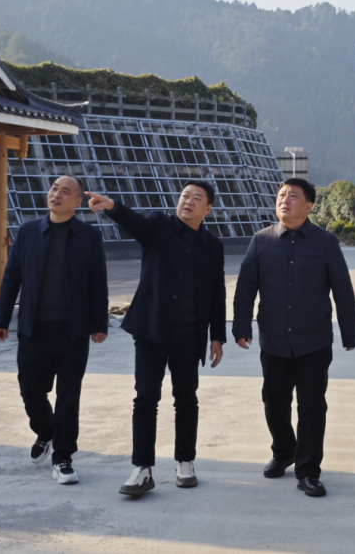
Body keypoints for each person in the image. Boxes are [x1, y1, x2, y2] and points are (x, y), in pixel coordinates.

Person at [87, 181, 226, 496]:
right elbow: (135, 223)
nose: (188, 201)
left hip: (189, 334)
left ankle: (185, 461)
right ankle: (142, 468)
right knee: (146, 398)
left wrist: (217, 336)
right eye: (185, 196)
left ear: (208, 209)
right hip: (151, 331)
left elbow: (217, 293)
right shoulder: (159, 225)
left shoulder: (213, 246)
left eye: (197, 198)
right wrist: (113, 207)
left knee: (186, 399)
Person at [233, 178, 355, 498]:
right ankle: (284, 451)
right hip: (273, 339)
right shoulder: (261, 240)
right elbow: (246, 286)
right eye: (281, 195)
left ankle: (308, 471)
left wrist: (350, 332)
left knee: (312, 407)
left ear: (309, 206)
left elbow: (342, 289)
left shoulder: (325, 242)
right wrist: (241, 327)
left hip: (313, 341)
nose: (284, 200)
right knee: (274, 404)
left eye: (293, 196)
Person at [0, 174, 109, 485]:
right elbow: (12, 277)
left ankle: (63, 458)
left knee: (68, 396)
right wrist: (2, 319)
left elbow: (98, 282)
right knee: (30, 390)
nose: (57, 194)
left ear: (78, 201)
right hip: (34, 329)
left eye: (66, 191)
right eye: (54, 188)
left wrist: (100, 323)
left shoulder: (88, 236)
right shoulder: (28, 231)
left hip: (73, 331)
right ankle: (46, 431)